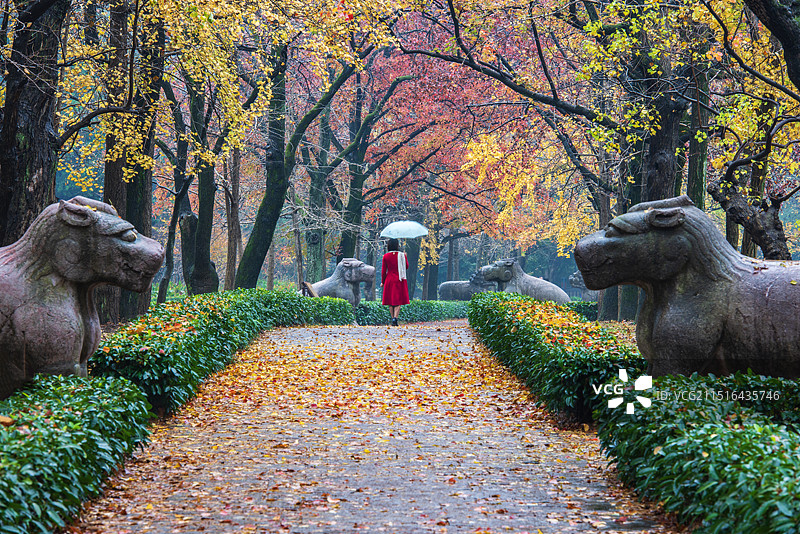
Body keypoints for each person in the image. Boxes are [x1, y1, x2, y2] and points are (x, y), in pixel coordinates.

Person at [381, 238, 410, 326]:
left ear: (389, 246)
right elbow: (406, 267)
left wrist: (382, 282)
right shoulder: (402, 255)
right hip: (399, 280)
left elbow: (383, 271)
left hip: (389, 279)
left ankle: (392, 318)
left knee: (390, 301)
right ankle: (395, 318)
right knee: (398, 300)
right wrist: (405, 257)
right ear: (397, 245)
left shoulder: (385, 256)